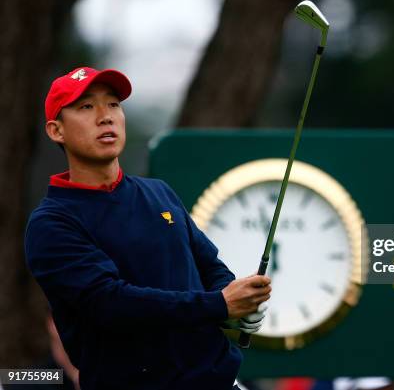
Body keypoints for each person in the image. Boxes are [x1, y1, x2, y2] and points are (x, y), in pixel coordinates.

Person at [24, 67, 271, 390]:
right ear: (56, 131)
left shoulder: (159, 192)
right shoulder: (52, 223)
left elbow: (208, 266)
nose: (105, 116)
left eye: (113, 104)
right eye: (87, 107)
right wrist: (219, 305)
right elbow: (112, 304)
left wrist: (237, 308)